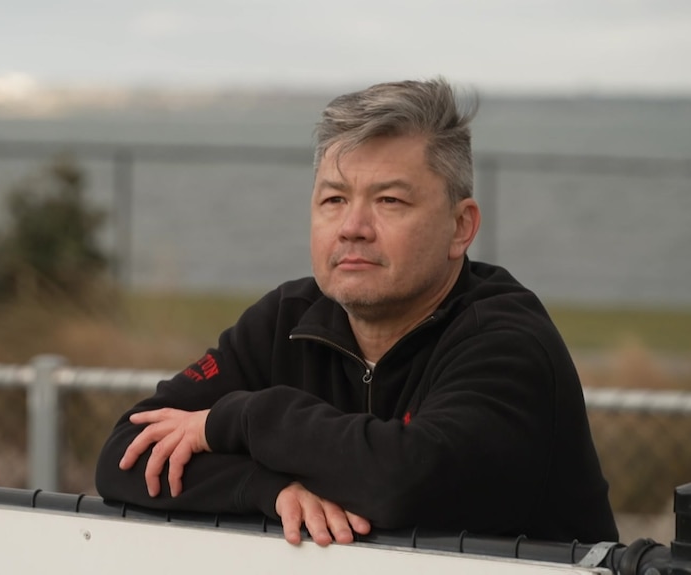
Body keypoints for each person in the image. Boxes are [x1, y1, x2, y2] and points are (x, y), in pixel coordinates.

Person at [95, 78, 618, 546]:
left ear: (461, 227)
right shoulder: (288, 320)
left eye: (389, 201)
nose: (353, 227)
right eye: (334, 200)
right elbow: (126, 455)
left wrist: (244, 419)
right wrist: (267, 488)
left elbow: (402, 481)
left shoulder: (505, 342)